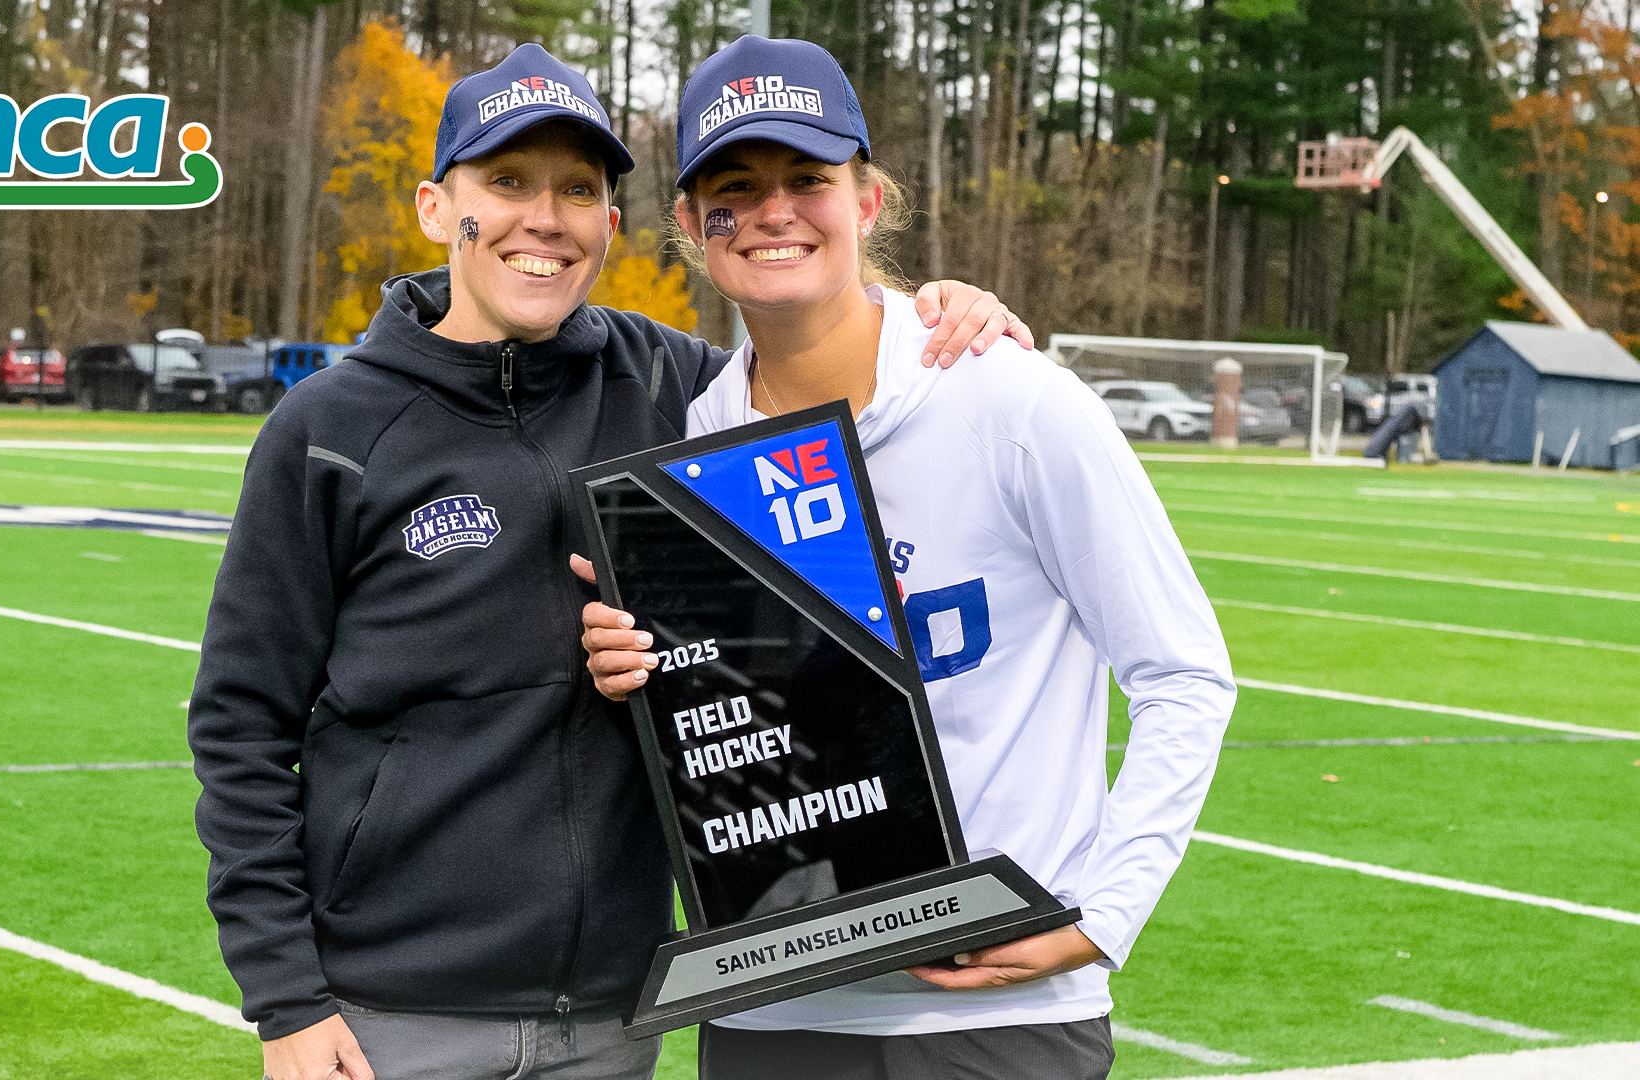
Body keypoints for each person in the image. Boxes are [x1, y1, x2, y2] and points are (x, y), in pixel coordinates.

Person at [187, 42, 1033, 1080]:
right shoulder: (329, 429)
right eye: (506, 181)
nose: (544, 218)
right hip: (385, 1015)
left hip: (614, 1020)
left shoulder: (679, 390)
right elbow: (240, 725)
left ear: (610, 226)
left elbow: (832, 381)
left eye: (577, 189)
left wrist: (938, 310)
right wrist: (285, 1003)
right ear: (433, 205)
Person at [577, 36, 1235, 1080]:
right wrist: (640, 667)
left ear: (869, 201)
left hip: (998, 1017)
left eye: (809, 179)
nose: (774, 210)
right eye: (735, 189)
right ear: (697, 230)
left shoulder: (1011, 399)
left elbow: (1185, 674)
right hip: (775, 1013)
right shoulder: (693, 441)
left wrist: (1102, 915)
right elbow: (742, 716)